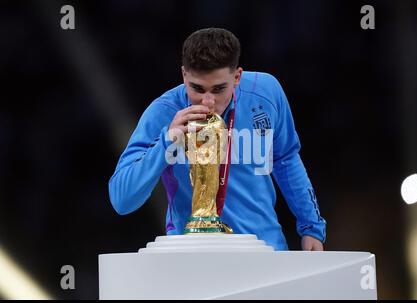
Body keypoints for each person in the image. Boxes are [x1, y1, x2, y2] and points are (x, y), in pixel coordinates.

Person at [109, 28, 326, 251]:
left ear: (237, 77)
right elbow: (121, 200)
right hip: (195, 258)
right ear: (184, 75)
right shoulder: (163, 113)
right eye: (197, 88)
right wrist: (166, 142)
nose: (208, 101)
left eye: (219, 89)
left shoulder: (265, 93)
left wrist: (311, 227)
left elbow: (286, 159)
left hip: (265, 250)